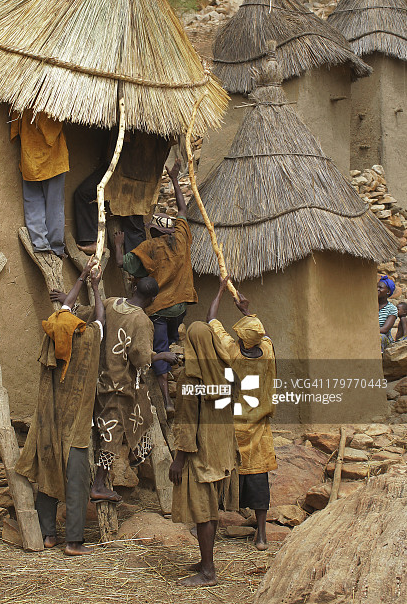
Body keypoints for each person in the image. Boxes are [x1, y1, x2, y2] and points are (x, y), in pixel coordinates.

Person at [15, 258, 103, 556]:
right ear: (79, 327)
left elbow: (62, 315)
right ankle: (74, 542)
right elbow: (100, 317)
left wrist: (75, 284)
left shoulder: (52, 338)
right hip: (76, 428)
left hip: (49, 424)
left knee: (48, 476)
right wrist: (93, 285)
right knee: (76, 483)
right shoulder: (88, 340)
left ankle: (48, 535)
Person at [115, 159, 197, 414]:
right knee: (172, 337)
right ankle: (171, 347)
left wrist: (118, 243)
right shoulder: (181, 239)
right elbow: (182, 211)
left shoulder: (150, 248)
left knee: (159, 349)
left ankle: (167, 399)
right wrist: (174, 179)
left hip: (160, 308)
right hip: (180, 307)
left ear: (154, 232)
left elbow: (122, 263)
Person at [206, 276, 277, 551]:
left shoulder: (232, 351)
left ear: (240, 338)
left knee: (222, 473)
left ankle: (210, 525)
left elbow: (211, 318)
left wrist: (221, 290)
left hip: (233, 426)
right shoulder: (268, 353)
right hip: (258, 427)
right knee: (259, 479)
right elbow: (266, 334)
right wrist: (248, 312)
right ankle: (261, 535)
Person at [91, 276, 177, 502]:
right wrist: (162, 355)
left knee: (122, 420)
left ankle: (137, 453)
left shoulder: (111, 303)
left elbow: (92, 314)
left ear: (134, 287)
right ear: (153, 299)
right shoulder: (141, 321)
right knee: (113, 431)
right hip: (118, 384)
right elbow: (140, 358)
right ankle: (99, 483)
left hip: (99, 377)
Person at [169, 315, 240, 587]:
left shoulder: (191, 377)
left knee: (203, 512)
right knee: (210, 509)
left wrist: (179, 459)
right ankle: (205, 560)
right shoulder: (226, 373)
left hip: (200, 453)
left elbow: (187, 423)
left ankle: (208, 571)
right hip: (221, 450)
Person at [74, 130, 170, 255]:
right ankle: (137, 263)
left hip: (132, 173)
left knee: (133, 217)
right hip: (129, 170)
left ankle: (137, 264)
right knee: (133, 219)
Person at [10, 110, 69, 256]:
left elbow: (14, 130)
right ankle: (56, 247)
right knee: (54, 204)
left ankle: (40, 243)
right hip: (54, 160)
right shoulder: (50, 103)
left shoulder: (20, 104)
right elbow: (51, 132)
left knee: (33, 202)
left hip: (30, 158)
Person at [378, 275, 398, 352]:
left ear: (388, 292)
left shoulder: (392, 309)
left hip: (384, 338)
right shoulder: (370, 306)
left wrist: (368, 331)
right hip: (369, 333)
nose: (377, 289)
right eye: (376, 287)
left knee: (380, 337)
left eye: (380, 288)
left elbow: (385, 329)